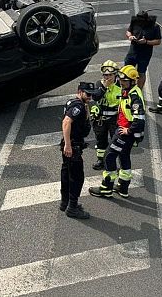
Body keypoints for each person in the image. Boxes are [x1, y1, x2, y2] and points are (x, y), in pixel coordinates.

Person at [89, 65, 145, 199]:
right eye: (120, 79)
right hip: (124, 131)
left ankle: (106, 188)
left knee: (109, 156)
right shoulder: (128, 91)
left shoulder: (134, 96)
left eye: (125, 80)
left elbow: (140, 119)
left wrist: (128, 130)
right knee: (124, 157)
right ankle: (123, 187)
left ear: (132, 81)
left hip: (124, 133)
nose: (121, 82)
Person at [60, 81, 99, 219]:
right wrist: (68, 145)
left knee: (66, 173)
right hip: (73, 147)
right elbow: (66, 122)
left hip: (70, 144)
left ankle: (65, 202)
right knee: (77, 178)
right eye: (87, 94)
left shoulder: (73, 102)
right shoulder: (78, 106)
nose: (90, 97)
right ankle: (72, 207)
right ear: (80, 91)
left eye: (92, 95)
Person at [91, 60, 122, 171]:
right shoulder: (99, 84)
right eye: (105, 75)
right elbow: (95, 97)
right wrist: (104, 87)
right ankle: (101, 160)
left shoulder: (121, 85)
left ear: (115, 74)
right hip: (101, 119)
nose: (107, 77)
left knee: (116, 141)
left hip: (115, 119)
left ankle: (117, 163)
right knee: (100, 141)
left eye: (110, 75)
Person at [124, 10, 161, 89]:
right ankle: (127, 89)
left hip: (145, 54)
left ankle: (139, 90)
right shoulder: (135, 22)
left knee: (141, 73)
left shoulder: (154, 27)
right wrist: (130, 37)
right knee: (126, 70)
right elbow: (128, 31)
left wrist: (146, 42)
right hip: (133, 51)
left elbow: (158, 41)